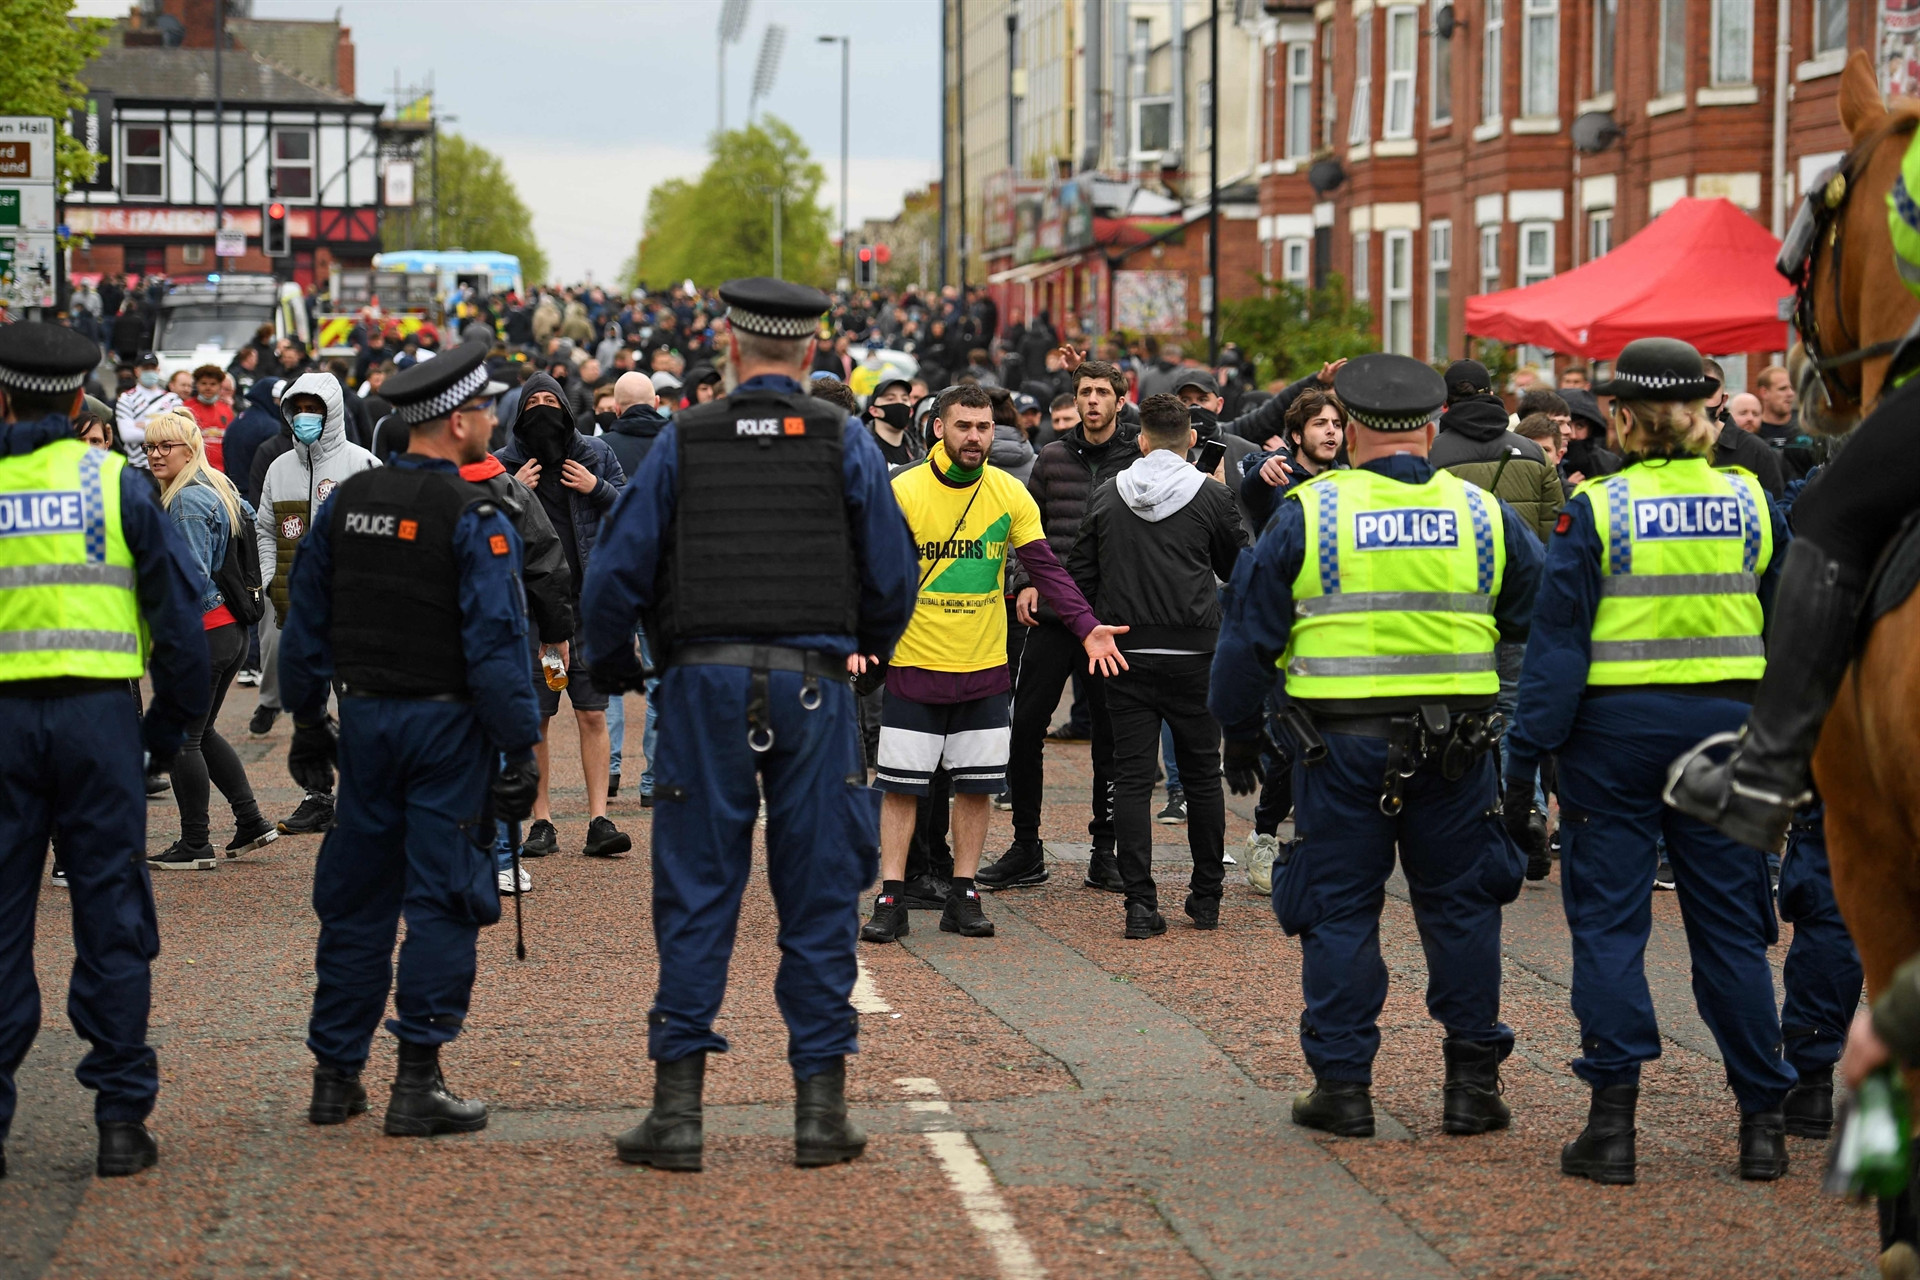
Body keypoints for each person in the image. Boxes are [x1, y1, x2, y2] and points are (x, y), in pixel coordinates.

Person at [578, 277, 919, 1172]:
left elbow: (615, 572)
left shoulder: (684, 441)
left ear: (730, 349)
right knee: (817, 892)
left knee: (696, 889)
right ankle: (819, 1112)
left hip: (702, 688)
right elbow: (892, 575)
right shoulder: (844, 441)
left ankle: (678, 1113)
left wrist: (612, 666)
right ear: (811, 354)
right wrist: (858, 651)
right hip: (815, 691)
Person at [1210, 353, 1542, 1139]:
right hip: (1460, 752)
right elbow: (1537, 613)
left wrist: (1239, 731)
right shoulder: (1484, 514)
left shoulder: (1313, 511)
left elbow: (1248, 637)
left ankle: (1345, 1088)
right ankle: (1470, 1086)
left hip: (1339, 752)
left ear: (1351, 428)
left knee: (1339, 913)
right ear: (1430, 430)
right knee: (1461, 913)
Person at [1507, 337, 1794, 1184]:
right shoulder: (1748, 499)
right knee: (1733, 929)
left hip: (1614, 737)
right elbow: (1784, 623)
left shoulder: (1596, 508)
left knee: (1609, 925)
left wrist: (1525, 762)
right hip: (1729, 730)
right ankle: (1762, 1126)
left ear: (1623, 418)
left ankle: (1614, 1126)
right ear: (1706, 414)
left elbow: (1555, 650)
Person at [278, 339, 542, 1138]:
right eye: (486, 411)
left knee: (356, 900)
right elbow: (497, 646)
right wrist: (519, 749)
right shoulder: (475, 517)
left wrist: (303, 720)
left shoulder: (347, 506)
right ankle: (417, 1080)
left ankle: (335, 1077)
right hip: (445, 728)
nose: (494, 420)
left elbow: (304, 621)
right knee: (443, 900)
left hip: (363, 722)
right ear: (458, 423)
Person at [0, 322, 211, 1179]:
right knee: (113, 918)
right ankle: (121, 1121)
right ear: (78, 397)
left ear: (6, 398)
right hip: (99, 721)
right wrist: (161, 737)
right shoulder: (116, 486)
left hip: (5, 722)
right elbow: (182, 635)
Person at [861, 384, 1127, 944]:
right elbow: (865, 570)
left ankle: (964, 893)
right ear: (939, 428)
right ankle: (890, 897)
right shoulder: (902, 490)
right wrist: (856, 637)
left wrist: (1085, 627)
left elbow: (1048, 569)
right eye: (963, 427)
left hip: (984, 666)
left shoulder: (1009, 492)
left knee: (976, 787)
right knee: (902, 786)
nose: (975, 438)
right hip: (915, 661)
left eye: (983, 427)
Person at [1066, 394, 1247, 937]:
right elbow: (1236, 566)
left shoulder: (1107, 495)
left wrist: (1099, 621)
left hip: (1127, 650)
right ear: (1190, 438)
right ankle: (1207, 897)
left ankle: (1140, 906)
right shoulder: (1210, 497)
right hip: (1196, 651)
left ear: (1140, 440)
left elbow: (1080, 571)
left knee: (1131, 778)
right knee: (1201, 777)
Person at [978, 360, 1138, 893]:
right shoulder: (1051, 456)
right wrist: (1024, 578)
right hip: (1051, 615)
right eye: (1084, 392)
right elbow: (1029, 526)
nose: (1092, 401)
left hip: (1109, 620)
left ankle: (1104, 849)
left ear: (1120, 398)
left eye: (1101, 393)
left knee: (1110, 739)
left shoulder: (1138, 455)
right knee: (1025, 728)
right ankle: (1027, 846)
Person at [493, 371, 629, 859]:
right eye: (535, 403)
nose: (544, 410)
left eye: (553, 401)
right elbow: (478, 526)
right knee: (537, 720)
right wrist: (511, 489)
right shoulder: (504, 465)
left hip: (589, 610)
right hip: (531, 615)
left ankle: (599, 818)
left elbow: (632, 514)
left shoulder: (595, 454)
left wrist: (597, 488)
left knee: (592, 713)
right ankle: (542, 821)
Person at [140, 410, 277, 869]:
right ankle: (251, 821)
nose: (156, 454)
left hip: (203, 631)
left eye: (166, 446)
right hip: (229, 631)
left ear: (190, 449)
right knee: (201, 732)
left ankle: (196, 844)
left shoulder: (186, 501)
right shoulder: (220, 486)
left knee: (184, 739)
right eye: (150, 447)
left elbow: (189, 578)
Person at [254, 373, 379, 828]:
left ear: (332, 411)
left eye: (314, 407)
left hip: (352, 614)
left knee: (356, 707)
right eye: (297, 408)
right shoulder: (278, 468)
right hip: (297, 610)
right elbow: (265, 529)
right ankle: (318, 796)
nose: (305, 416)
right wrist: (271, 580)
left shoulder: (362, 464)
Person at [114, 352, 179, 474]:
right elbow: (127, 434)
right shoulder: (126, 398)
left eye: (152, 368)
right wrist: (164, 427)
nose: (149, 371)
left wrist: (145, 425)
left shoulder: (173, 398)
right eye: (145, 368)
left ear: (158, 370)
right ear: (137, 371)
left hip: (168, 466)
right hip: (137, 467)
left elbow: (178, 432)